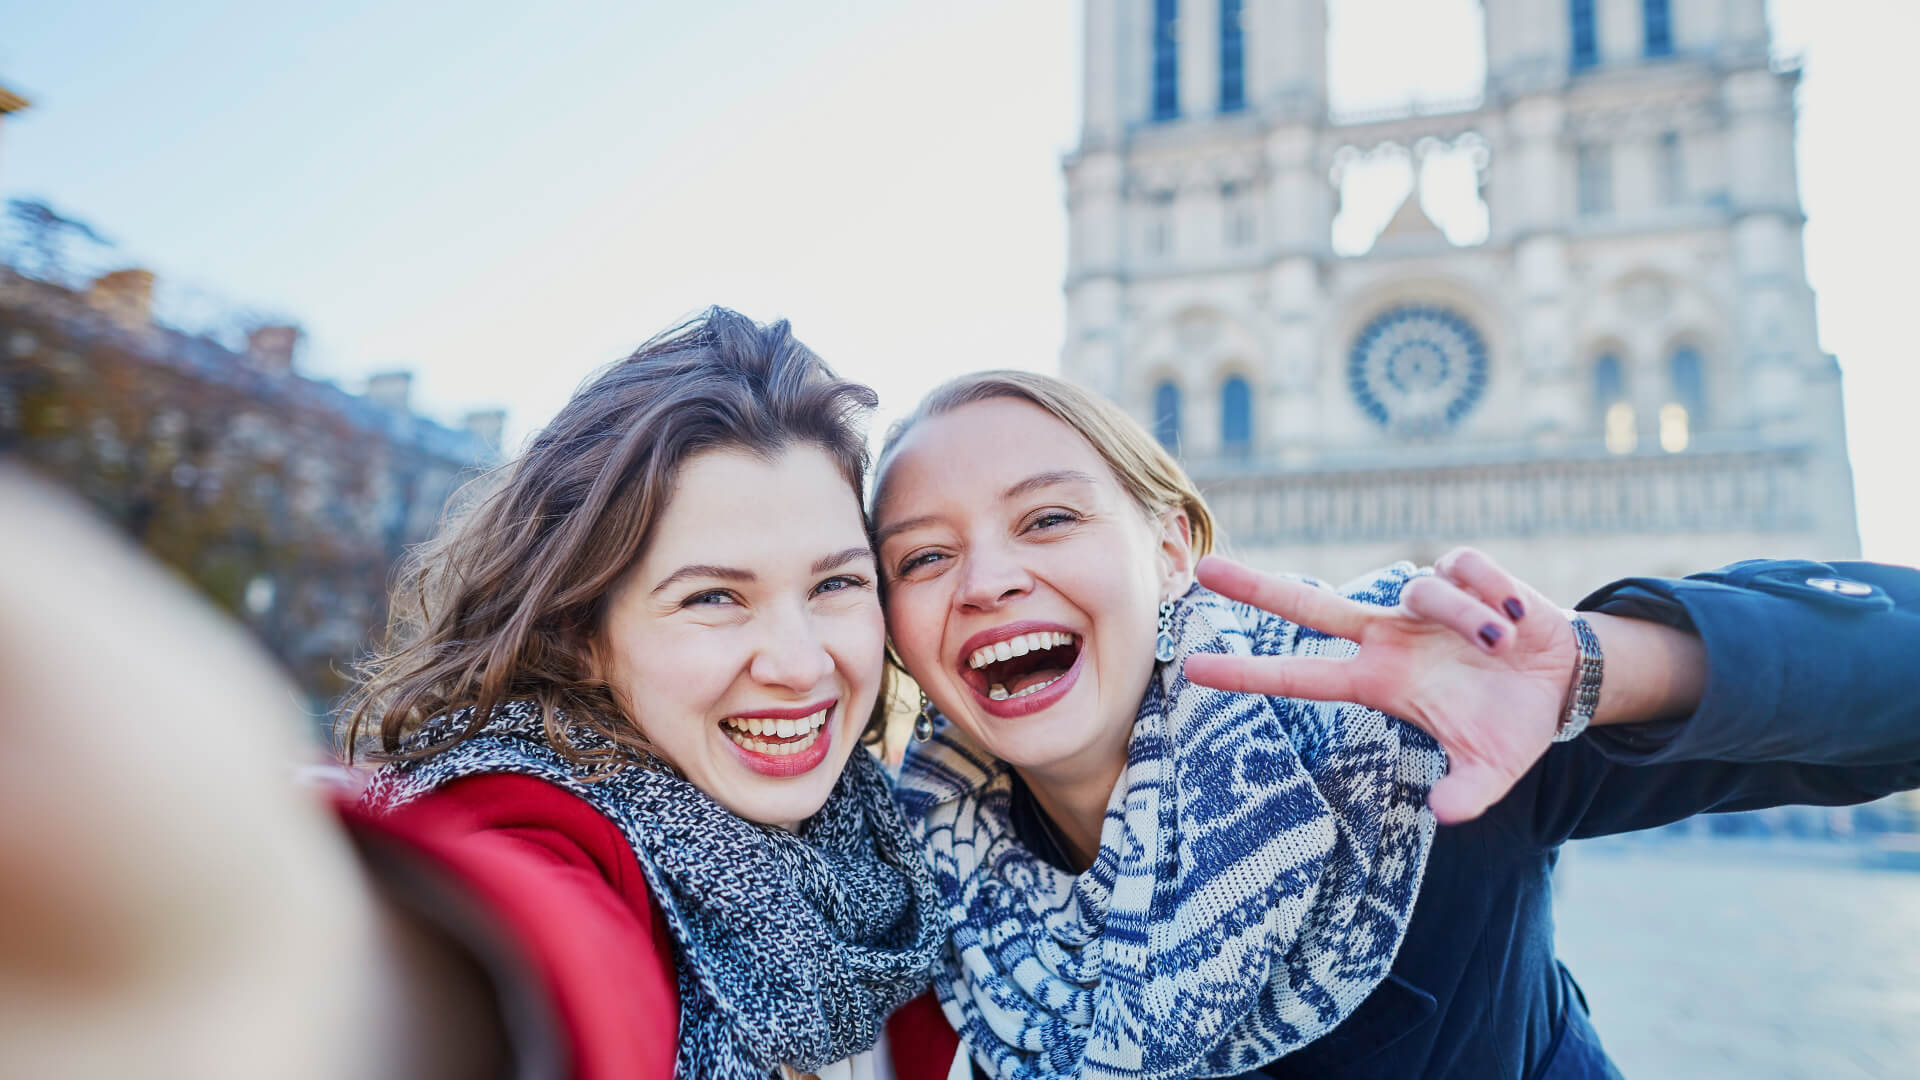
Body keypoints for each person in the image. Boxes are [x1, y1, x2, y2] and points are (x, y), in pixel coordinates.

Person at [869, 370, 1920, 1080]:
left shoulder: (1395, 742)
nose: (991, 580)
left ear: (1173, 546)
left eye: (1049, 517)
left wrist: (1599, 669)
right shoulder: (910, 900)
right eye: (922, 557)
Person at [0, 309, 953, 1080]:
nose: (797, 662)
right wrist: (297, 967)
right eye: (713, 597)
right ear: (583, 641)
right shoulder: (532, 815)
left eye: (835, 585)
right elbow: (527, 950)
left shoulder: (894, 857)